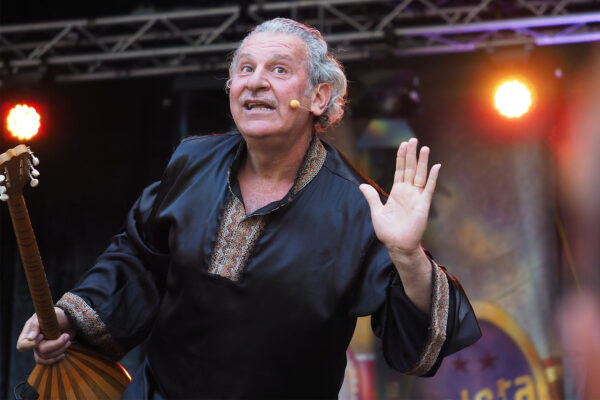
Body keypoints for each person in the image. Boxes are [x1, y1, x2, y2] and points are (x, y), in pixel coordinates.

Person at [16, 18, 481, 399]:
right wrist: (70, 316)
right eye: (245, 68)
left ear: (319, 98)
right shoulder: (190, 160)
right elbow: (139, 258)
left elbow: (418, 343)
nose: (256, 81)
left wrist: (406, 255)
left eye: (279, 70)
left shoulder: (356, 205)